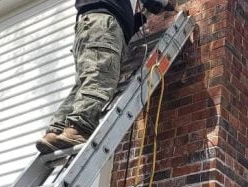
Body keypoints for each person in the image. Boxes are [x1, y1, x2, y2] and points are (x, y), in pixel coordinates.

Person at [36, 0, 174, 154]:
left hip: (90, 25)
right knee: (99, 78)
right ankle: (78, 128)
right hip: (103, 25)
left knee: (84, 83)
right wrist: (163, 3)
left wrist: (140, 18)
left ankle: (55, 132)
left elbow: (122, 22)